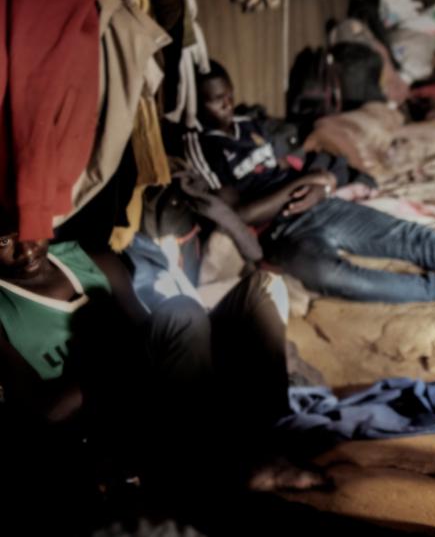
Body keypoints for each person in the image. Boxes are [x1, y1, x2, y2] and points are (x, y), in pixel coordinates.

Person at [0, 216, 317, 532]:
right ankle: (215, 466)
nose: (25, 249)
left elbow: (146, 331)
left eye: (27, 229)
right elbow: (46, 410)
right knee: (182, 314)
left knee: (264, 286)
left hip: (160, 384)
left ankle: (256, 434)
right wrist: (115, 363)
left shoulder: (89, 258)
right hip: (108, 417)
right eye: (3, 242)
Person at [185, 61, 435, 302]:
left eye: (229, 96)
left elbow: (285, 165)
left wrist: (324, 185)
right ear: (195, 103)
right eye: (216, 100)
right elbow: (240, 216)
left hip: (320, 205)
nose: (227, 105)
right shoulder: (201, 146)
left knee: (410, 237)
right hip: (279, 232)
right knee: (331, 276)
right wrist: (303, 184)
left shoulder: (249, 125)